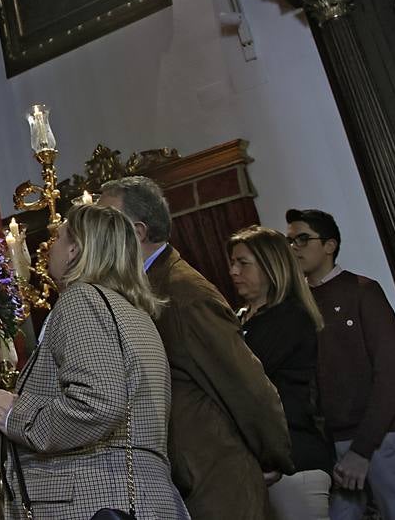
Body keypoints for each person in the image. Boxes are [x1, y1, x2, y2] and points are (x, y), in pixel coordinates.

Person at [0, 204, 189, 519]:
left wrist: (16, 415)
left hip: (95, 501)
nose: (49, 247)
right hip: (143, 500)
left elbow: (99, 402)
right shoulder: (134, 312)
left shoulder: (82, 300)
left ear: (75, 249)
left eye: (59, 237)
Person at [99, 176, 293, 520]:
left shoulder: (184, 293)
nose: (97, 234)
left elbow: (246, 385)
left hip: (216, 483)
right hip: (186, 480)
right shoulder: (144, 287)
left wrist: (271, 456)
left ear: (138, 231)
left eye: (107, 220)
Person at [286, 208, 395, 520]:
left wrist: (363, 449)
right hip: (331, 444)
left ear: (330, 245)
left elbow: (389, 374)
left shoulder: (363, 291)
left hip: (381, 439)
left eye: (303, 239)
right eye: (290, 240)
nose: (295, 247)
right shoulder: (297, 304)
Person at [228, 225, 334, 520]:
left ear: (271, 266)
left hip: (294, 459)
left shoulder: (289, 317)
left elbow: (245, 378)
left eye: (243, 263)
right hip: (262, 462)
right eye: (232, 263)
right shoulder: (240, 319)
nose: (233, 271)